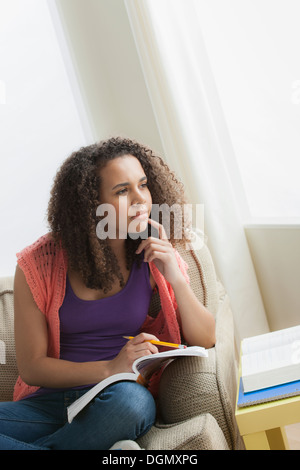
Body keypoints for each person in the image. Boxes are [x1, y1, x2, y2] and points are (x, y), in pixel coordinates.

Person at [0, 137, 215, 450]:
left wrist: (175, 277)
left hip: (115, 397)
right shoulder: (38, 262)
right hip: (44, 406)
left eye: (143, 184)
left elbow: (205, 338)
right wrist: (110, 367)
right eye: (123, 191)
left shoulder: (152, 251)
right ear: (91, 205)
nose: (141, 199)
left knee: (134, 404)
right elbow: (33, 367)